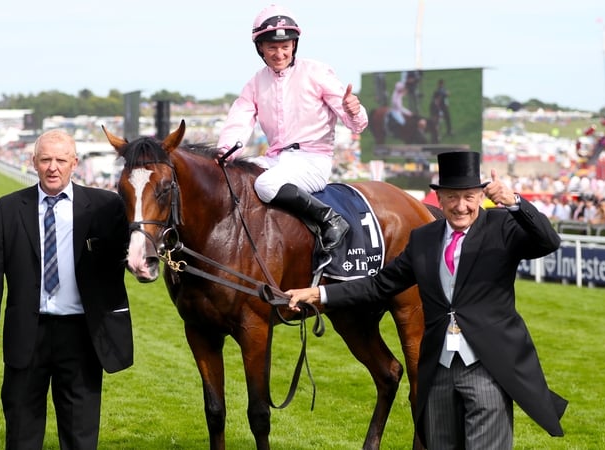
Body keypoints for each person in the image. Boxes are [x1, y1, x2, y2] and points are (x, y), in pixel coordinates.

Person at [287, 151, 567, 449]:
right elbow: (380, 285)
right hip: (438, 372)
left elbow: (548, 241)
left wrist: (516, 204)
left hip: (488, 370)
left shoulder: (501, 226)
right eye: (452, 197)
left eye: (469, 197)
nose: (461, 206)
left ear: (480, 196)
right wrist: (321, 293)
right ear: (440, 199)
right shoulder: (423, 239)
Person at [0, 129, 133, 449]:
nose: (53, 167)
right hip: (28, 332)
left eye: (61, 160)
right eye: (45, 160)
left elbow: (131, 252)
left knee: (80, 431)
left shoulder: (105, 206)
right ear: (33, 163)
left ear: (75, 163)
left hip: (83, 334)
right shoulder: (8, 207)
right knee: (21, 429)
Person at [216, 4, 368, 252]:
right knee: (235, 179)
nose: (279, 54)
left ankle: (331, 219)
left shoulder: (317, 72)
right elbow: (239, 121)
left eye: (285, 47)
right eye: (272, 48)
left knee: (265, 186)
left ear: (294, 46)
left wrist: (353, 109)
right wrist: (224, 154)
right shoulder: (255, 83)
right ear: (260, 48)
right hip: (275, 160)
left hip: (312, 161)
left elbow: (355, 124)